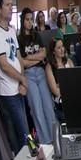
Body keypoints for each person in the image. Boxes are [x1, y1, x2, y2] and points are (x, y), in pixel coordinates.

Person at [0, 0, 29, 154]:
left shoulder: (12, 30)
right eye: (7, 5)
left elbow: (19, 58)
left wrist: (22, 80)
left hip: (18, 87)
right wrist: (22, 79)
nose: (10, 8)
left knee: (23, 131)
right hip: (7, 91)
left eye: (11, 5)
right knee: (20, 133)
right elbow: (4, 65)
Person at [17, 8, 58, 144]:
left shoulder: (37, 35)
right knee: (37, 110)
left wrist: (30, 57)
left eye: (30, 19)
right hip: (28, 75)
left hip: (40, 73)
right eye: (26, 19)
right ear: (22, 20)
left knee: (48, 107)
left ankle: (56, 139)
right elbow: (22, 62)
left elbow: (44, 54)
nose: (29, 22)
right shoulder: (19, 39)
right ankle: (45, 142)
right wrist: (36, 58)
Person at [45, 37, 74, 122]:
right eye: (58, 48)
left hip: (73, 96)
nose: (62, 49)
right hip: (61, 101)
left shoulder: (69, 61)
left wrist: (60, 84)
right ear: (53, 51)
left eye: (62, 46)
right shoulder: (49, 67)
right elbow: (55, 90)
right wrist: (66, 85)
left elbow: (75, 82)